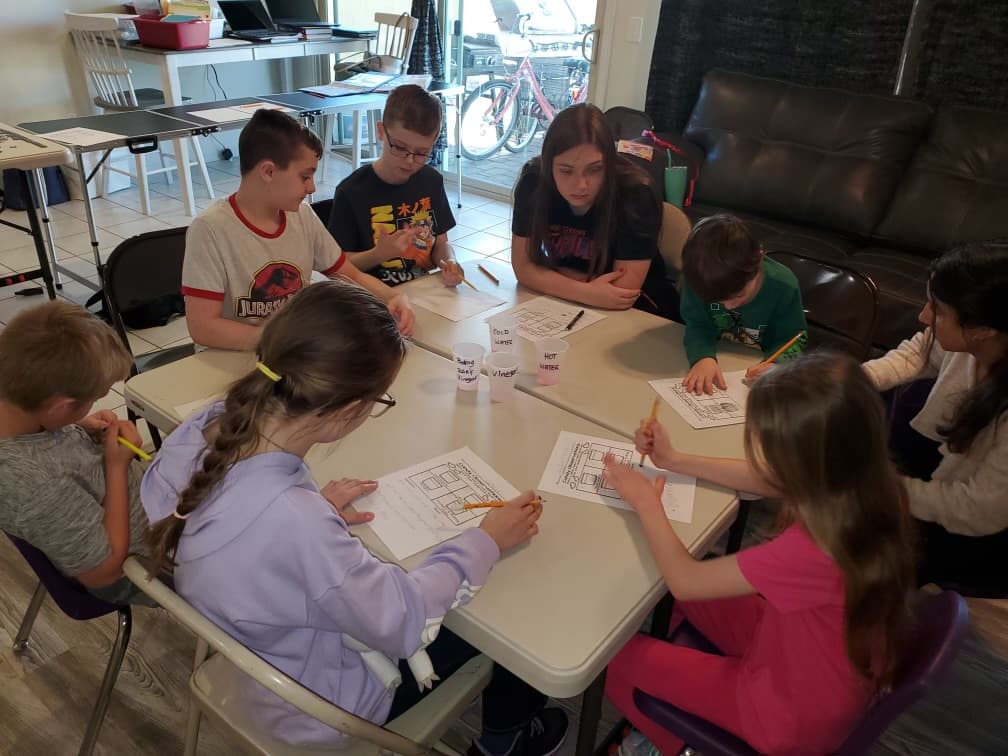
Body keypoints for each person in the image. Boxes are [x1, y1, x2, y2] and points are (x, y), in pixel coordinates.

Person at [141, 280, 567, 755]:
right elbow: (403, 617)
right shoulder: (296, 525)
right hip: (323, 705)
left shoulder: (205, 425)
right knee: (515, 620)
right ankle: (504, 743)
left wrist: (312, 509)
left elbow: (239, 525)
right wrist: (486, 538)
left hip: (259, 662)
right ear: (349, 410)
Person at [601, 352, 917, 755]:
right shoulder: (867, 483)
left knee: (614, 660)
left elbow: (686, 580)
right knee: (671, 601)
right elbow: (770, 479)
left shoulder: (813, 547)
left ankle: (671, 745)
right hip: (807, 661)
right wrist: (674, 460)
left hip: (785, 714)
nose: (762, 455)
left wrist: (647, 503)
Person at [182, 109, 414, 351]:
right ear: (268, 172)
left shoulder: (301, 215)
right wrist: (281, 341)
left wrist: (393, 298)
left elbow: (350, 276)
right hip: (232, 355)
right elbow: (203, 327)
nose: (312, 187)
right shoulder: (210, 230)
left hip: (291, 350)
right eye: (305, 177)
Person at [863, 241, 1008, 590]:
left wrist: (880, 488)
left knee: (874, 568)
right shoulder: (979, 341)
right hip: (942, 482)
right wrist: (853, 377)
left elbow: (979, 510)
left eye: (938, 311)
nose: (924, 316)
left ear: (982, 330)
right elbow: (920, 351)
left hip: (983, 536)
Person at [0, 301, 151, 604]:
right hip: (140, 569)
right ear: (60, 405)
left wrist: (80, 424)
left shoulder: (19, 406)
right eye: (92, 399)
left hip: (154, 511)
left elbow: (47, 437)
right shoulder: (33, 483)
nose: (95, 405)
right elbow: (104, 572)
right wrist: (116, 467)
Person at [510, 103, 678, 320]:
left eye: (595, 169)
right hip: (565, 305)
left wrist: (548, 276)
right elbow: (522, 268)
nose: (580, 185)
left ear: (609, 163)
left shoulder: (636, 193)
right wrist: (587, 291)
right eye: (566, 171)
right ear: (549, 165)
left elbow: (622, 292)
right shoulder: (533, 182)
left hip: (642, 311)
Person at [327, 84, 463, 288]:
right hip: (372, 299)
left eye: (421, 152)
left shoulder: (431, 181)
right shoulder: (352, 191)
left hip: (423, 293)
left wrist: (450, 261)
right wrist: (378, 254)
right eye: (400, 147)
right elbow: (336, 268)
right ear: (381, 131)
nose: (409, 161)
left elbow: (441, 243)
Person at [679, 214, 807, 394]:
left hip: (758, 371)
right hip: (723, 358)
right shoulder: (700, 279)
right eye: (717, 300)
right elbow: (697, 324)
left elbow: (792, 339)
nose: (729, 306)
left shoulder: (783, 287)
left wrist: (778, 366)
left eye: (738, 295)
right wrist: (702, 357)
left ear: (759, 259)